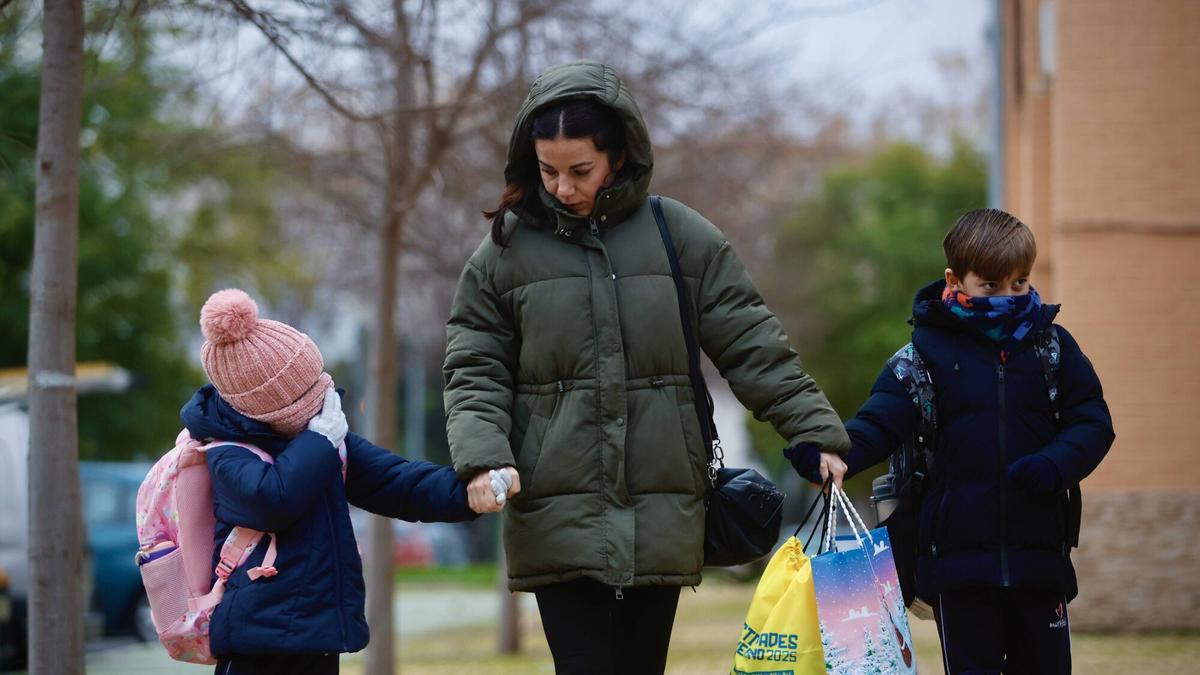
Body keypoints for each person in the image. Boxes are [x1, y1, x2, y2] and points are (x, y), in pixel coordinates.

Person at [442, 60, 849, 674]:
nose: (562, 187)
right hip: (556, 509)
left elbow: (752, 341)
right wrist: (482, 455)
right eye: (548, 170)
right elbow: (474, 365)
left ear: (620, 156)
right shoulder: (505, 251)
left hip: (661, 507)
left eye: (580, 170)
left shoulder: (678, 235)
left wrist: (813, 431)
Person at [789, 208, 1115, 673]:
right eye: (991, 286)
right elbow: (877, 425)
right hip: (957, 572)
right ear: (955, 279)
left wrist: (1054, 464)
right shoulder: (922, 355)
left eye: (1019, 284)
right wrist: (828, 454)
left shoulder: (1054, 348)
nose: (1008, 297)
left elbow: (1093, 422)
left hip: (1040, 562)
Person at [184, 288, 481, 675]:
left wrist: (470, 493)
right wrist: (321, 439)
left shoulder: (320, 441)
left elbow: (396, 481)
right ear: (267, 406)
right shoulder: (226, 451)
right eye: (306, 392)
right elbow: (273, 498)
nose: (324, 396)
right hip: (258, 644)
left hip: (316, 636)